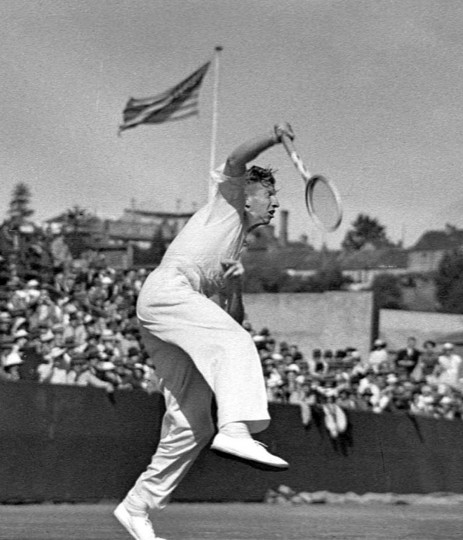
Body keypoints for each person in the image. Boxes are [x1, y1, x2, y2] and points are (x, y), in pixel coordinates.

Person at [114, 123, 293, 540]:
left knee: (193, 424)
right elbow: (235, 160)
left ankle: (137, 506)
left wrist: (233, 286)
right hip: (166, 291)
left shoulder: (236, 246)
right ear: (247, 194)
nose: (274, 203)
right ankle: (236, 430)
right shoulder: (228, 199)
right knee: (234, 347)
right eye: (269, 195)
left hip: (169, 311)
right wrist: (271, 136)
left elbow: (231, 322)